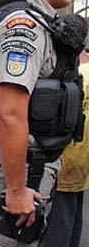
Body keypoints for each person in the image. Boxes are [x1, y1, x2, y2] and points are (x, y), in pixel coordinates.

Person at [0, 0, 86, 246]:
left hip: (33, 164)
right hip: (25, 170)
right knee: (10, 240)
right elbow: (9, 113)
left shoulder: (41, 21)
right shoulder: (25, 27)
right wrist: (17, 189)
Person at [40, 51, 89, 247]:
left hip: (65, 158)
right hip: (83, 158)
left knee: (59, 217)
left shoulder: (69, 75)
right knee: (73, 212)